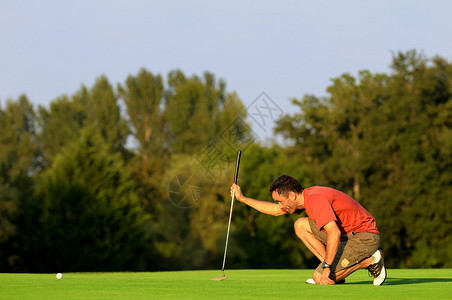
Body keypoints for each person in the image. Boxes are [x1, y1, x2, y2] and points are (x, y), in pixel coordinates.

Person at [230, 174, 387, 285]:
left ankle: (369, 261)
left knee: (320, 278)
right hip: (349, 235)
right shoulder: (304, 198)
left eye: (280, 201)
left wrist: (326, 268)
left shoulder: (315, 200)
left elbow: (334, 232)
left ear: (291, 195)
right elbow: (275, 211)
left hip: (364, 237)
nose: (280, 205)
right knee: (300, 225)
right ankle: (334, 270)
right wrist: (242, 198)